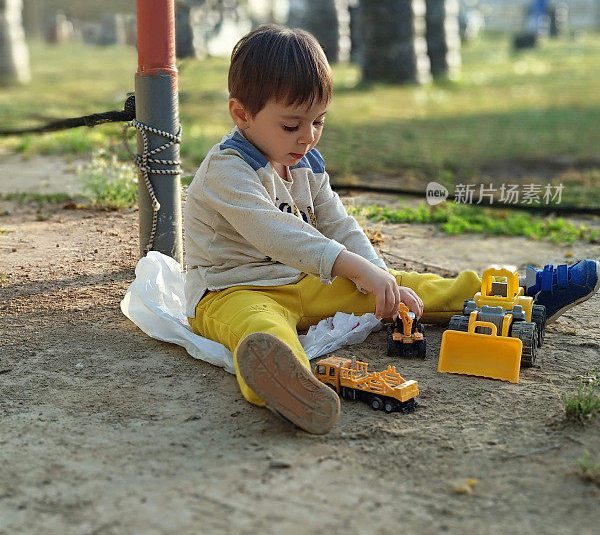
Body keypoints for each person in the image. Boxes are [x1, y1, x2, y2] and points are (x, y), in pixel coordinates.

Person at [184, 24, 600, 435]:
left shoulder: (306, 161)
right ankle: (289, 385)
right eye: (292, 125)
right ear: (242, 114)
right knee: (261, 330)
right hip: (231, 291)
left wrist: (379, 275)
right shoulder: (227, 169)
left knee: (415, 286)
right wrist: (355, 269)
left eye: (319, 122)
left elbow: (338, 224)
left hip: (305, 280)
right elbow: (276, 232)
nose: (307, 137)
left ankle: (518, 291)